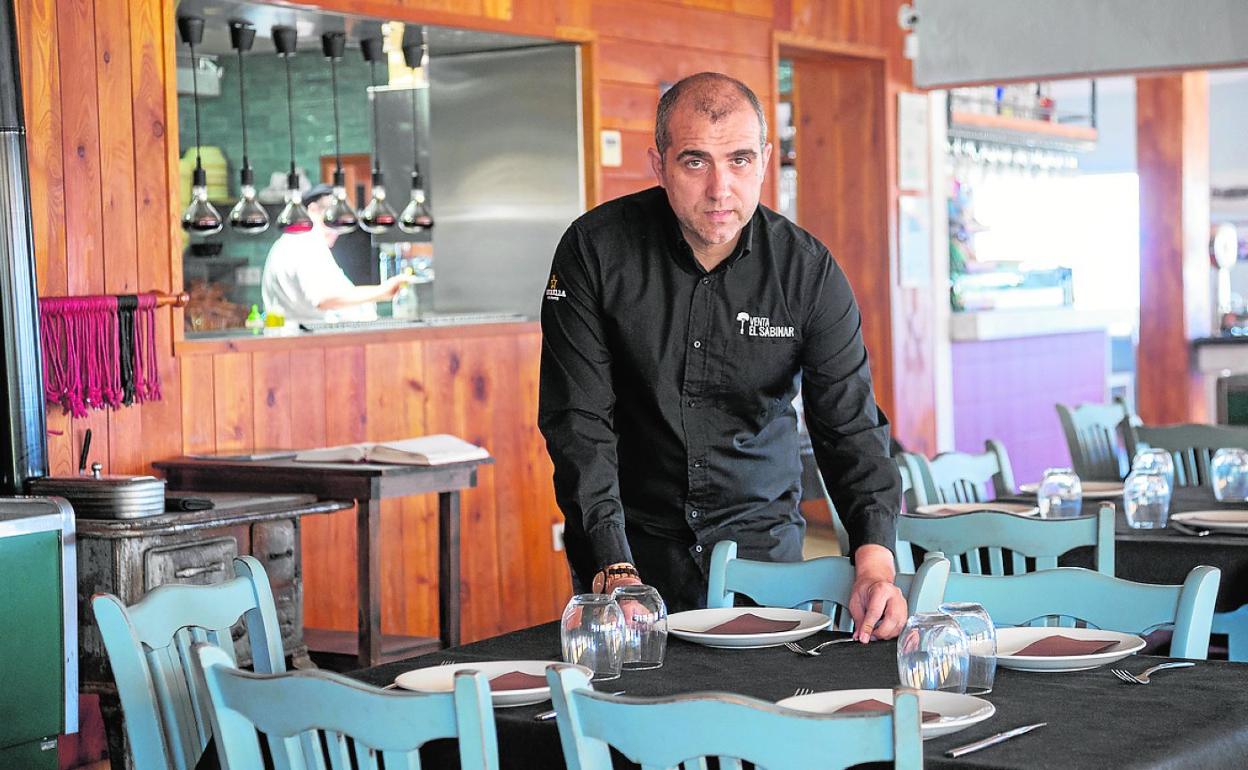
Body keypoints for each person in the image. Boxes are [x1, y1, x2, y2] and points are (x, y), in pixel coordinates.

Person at [538, 72, 906, 642]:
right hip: (633, 555)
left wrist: (875, 560)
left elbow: (850, 428)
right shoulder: (595, 250)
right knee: (632, 725)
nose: (719, 188)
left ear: (763, 161)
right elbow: (578, 422)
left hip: (766, 560)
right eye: (694, 162)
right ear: (658, 166)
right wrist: (613, 564)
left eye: (737, 161)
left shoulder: (807, 273)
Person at [261, 183, 408, 323]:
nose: (338, 231)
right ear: (313, 210)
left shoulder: (293, 242)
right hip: (309, 342)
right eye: (334, 220)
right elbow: (324, 298)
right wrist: (382, 292)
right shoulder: (304, 243)